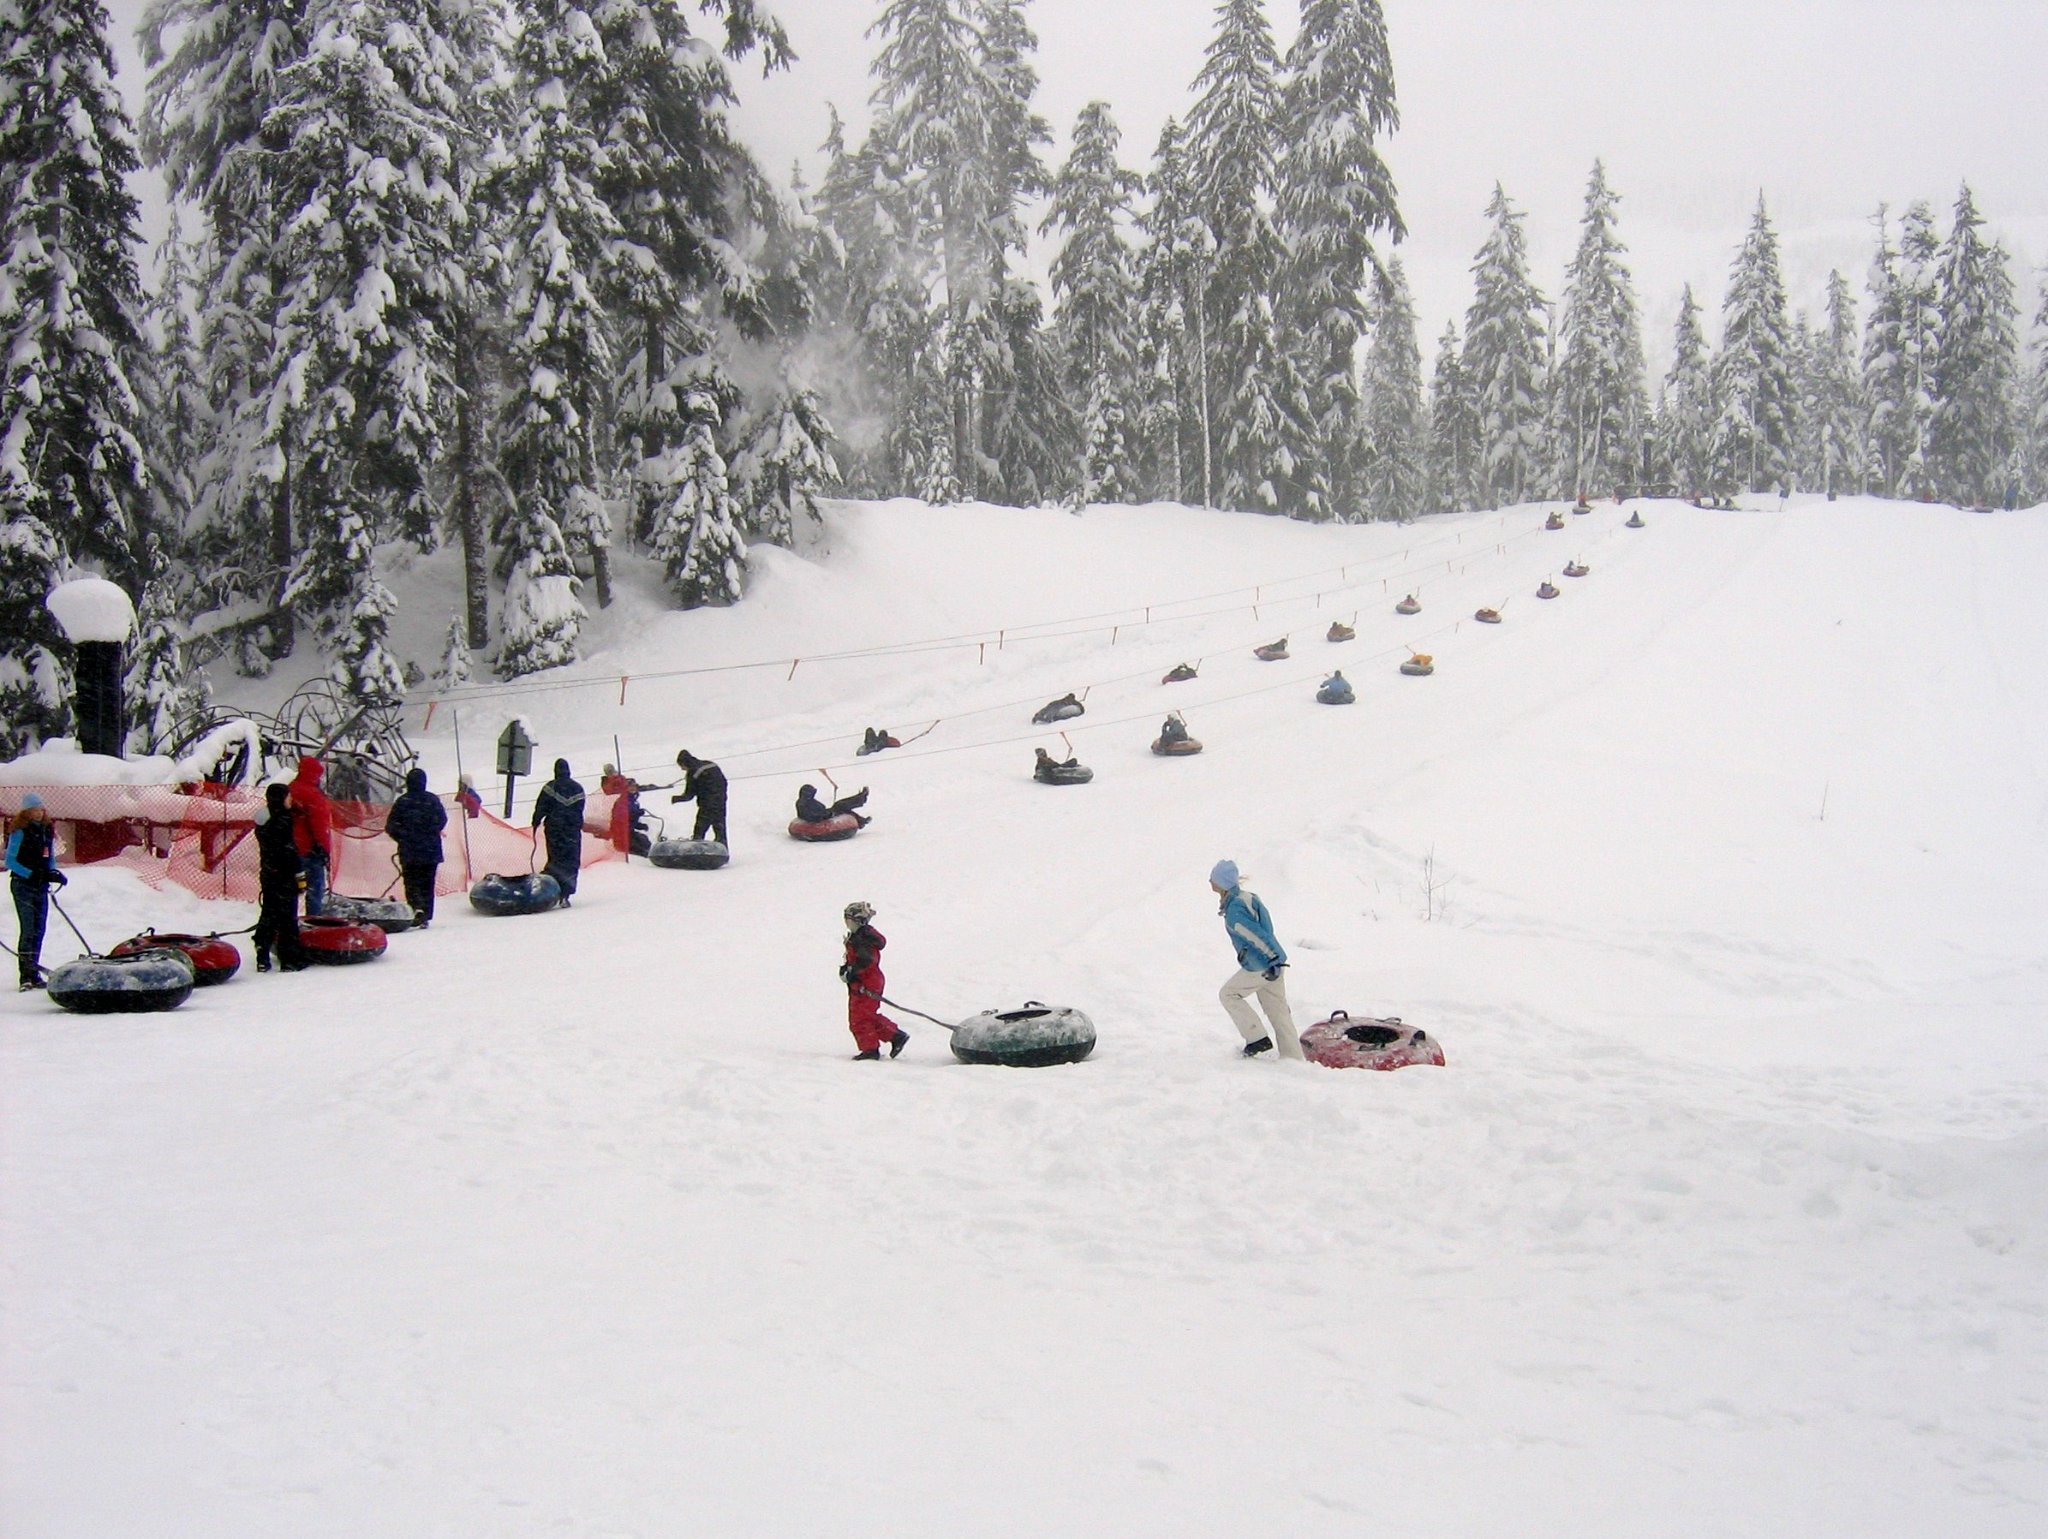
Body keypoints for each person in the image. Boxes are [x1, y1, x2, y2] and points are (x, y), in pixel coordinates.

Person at [1209, 859, 1301, 1060]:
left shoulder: (1235, 909)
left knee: (1228, 994)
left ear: (1222, 882)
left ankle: (1257, 1038)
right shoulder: (1249, 898)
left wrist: (1273, 959)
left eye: (1213, 878)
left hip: (1261, 965)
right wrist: (1277, 959)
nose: (1210, 882)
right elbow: (1267, 928)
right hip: (1273, 962)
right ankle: (1293, 1058)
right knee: (1278, 1012)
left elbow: (1256, 935)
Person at [7, 794, 64, 990]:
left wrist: (52, 873)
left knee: (39, 929)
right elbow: (10, 861)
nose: (38, 814)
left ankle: (34, 972)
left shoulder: (46, 830)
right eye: (34, 811)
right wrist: (29, 874)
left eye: (40, 810)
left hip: (40, 885)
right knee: (28, 929)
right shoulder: (20, 831)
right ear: (26, 813)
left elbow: (49, 856)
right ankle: (25, 975)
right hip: (23, 885)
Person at [840, 900, 909, 1061]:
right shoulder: (859, 936)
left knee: (859, 1019)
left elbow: (866, 960)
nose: (846, 923)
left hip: (866, 983)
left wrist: (852, 972)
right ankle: (895, 1036)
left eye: (848, 920)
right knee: (867, 1016)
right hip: (865, 982)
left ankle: (870, 1049)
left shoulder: (862, 939)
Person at [252, 783, 309, 972]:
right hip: (285, 876)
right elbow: (290, 852)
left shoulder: (263, 821)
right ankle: (289, 960)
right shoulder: (283, 821)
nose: (290, 800)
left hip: (269, 874)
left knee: (268, 914)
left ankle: (262, 952)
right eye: (288, 797)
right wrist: (301, 878)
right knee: (287, 919)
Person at [384, 767, 449, 927]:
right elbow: (441, 820)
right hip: (430, 850)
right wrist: (430, 833)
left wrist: (403, 837)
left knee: (412, 882)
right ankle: (425, 914)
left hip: (409, 850)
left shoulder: (403, 801)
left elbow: (391, 826)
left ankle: (415, 909)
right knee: (428, 882)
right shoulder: (432, 800)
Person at [530, 758, 586, 906]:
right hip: (572, 832)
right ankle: (566, 893)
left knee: (555, 860)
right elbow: (580, 809)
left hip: (554, 831)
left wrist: (536, 821)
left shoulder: (550, 787)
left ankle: (554, 889)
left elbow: (541, 806)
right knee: (571, 861)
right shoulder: (578, 788)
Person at [288, 756, 336, 915]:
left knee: (290, 888)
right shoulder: (314, 795)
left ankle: (287, 921)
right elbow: (320, 826)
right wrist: (325, 850)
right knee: (315, 889)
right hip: (309, 849)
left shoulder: (290, 789)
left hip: (288, 848)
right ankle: (314, 921)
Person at [672, 750, 729, 847]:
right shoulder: (711, 764)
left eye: (681, 766)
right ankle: (723, 853)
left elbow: (688, 796)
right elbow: (724, 782)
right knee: (720, 830)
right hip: (720, 802)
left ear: (684, 763)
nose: (682, 769)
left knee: (699, 832)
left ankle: (696, 854)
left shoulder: (693, 773)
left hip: (706, 806)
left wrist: (676, 799)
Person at [796, 783, 870, 827]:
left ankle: (860, 817)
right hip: (822, 818)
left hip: (825, 813)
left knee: (840, 805)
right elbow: (810, 817)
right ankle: (861, 799)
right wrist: (828, 815)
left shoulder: (809, 801)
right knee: (841, 806)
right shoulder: (802, 804)